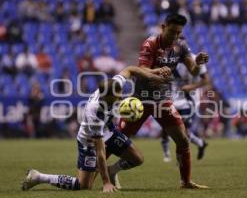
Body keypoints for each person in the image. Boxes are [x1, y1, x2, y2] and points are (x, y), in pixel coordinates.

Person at [22, 66, 172, 192]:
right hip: (89, 142)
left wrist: (153, 74)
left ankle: (113, 170)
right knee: (83, 186)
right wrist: (106, 182)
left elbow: (130, 69)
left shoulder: (111, 86)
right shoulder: (95, 113)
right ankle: (39, 177)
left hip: (109, 131)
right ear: (106, 96)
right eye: (116, 96)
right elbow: (100, 151)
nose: (120, 97)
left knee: (137, 159)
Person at [119, 13, 209, 189]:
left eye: (179, 33)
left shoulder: (181, 46)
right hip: (141, 100)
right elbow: (142, 69)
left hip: (162, 100)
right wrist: (159, 72)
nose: (175, 36)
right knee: (119, 139)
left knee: (183, 140)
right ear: (163, 27)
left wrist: (197, 62)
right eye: (172, 32)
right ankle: (94, 172)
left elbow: (194, 72)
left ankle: (186, 181)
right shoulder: (150, 43)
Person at [160, 52, 210, 162]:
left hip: (189, 100)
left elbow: (206, 80)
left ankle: (181, 157)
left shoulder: (195, 59)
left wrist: (192, 87)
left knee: (182, 131)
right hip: (172, 99)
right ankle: (167, 153)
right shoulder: (169, 59)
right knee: (166, 127)